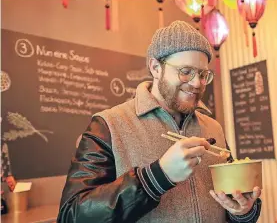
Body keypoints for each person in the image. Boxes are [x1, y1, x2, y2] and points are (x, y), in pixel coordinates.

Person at [57, 21, 262, 223]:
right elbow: (72, 215)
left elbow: (229, 204)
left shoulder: (213, 127)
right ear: (156, 67)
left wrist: (242, 212)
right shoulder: (108, 125)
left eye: (202, 74)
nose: (196, 83)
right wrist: (158, 176)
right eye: (185, 71)